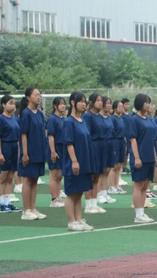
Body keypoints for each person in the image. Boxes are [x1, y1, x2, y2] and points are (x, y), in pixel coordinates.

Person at [62, 92, 95, 232]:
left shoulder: (83, 121)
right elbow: (69, 143)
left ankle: (79, 219)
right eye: (80, 101)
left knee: (80, 192)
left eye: (84, 101)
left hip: (85, 161)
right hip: (73, 162)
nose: (83, 104)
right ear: (73, 103)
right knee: (71, 192)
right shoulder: (69, 122)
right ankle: (71, 221)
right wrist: (74, 161)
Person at [19, 87, 48, 221]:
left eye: (39, 94)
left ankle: (32, 207)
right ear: (28, 98)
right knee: (28, 179)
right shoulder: (26, 113)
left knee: (35, 180)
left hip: (39, 150)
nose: (38, 97)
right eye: (36, 95)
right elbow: (24, 134)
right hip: (30, 151)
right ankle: (26, 210)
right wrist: (25, 153)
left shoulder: (40, 113)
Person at [129, 94, 157, 223]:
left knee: (145, 185)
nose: (148, 104)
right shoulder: (135, 120)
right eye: (146, 102)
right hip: (140, 156)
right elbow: (133, 140)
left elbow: (152, 140)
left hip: (150, 156)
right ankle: (138, 214)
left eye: (149, 102)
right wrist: (137, 157)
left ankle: (142, 212)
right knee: (138, 185)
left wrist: (155, 156)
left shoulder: (149, 119)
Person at [0, 95, 22, 213]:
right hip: (5, 147)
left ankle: (7, 202)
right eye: (10, 103)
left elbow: (18, 137)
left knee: (10, 177)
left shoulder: (15, 119)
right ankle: (0, 204)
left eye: (14, 103)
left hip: (14, 148)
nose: (13, 105)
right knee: (2, 177)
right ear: (3, 105)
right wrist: (0, 153)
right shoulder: (0, 119)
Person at [46, 97, 66, 208]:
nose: (63, 106)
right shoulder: (52, 119)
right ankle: (53, 199)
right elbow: (51, 136)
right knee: (54, 174)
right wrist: (53, 151)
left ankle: (58, 197)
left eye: (64, 104)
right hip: (55, 147)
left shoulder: (63, 119)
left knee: (59, 175)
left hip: (62, 148)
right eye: (61, 104)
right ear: (55, 106)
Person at [108, 100, 127, 195]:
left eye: (122, 106)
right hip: (115, 141)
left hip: (121, 142)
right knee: (114, 165)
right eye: (120, 106)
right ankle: (112, 186)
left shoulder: (121, 119)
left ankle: (116, 185)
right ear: (115, 108)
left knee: (119, 165)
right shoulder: (113, 119)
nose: (122, 108)